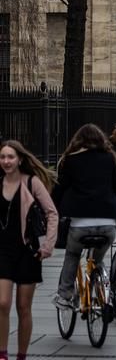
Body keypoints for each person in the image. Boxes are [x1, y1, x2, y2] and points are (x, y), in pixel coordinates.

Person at [52, 124, 116, 311]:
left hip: (80, 223)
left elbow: (60, 189)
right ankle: (101, 291)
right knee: (97, 259)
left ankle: (65, 295)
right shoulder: (109, 158)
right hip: (108, 223)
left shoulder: (70, 160)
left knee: (73, 254)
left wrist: (53, 210)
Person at [0, 140, 58, 360]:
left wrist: (47, 246)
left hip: (28, 251)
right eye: (3, 157)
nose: (6, 161)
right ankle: (2, 354)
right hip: (3, 251)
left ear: (20, 159)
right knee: (2, 303)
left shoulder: (32, 182)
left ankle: (22, 355)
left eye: (10, 157)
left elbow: (52, 213)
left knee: (23, 307)